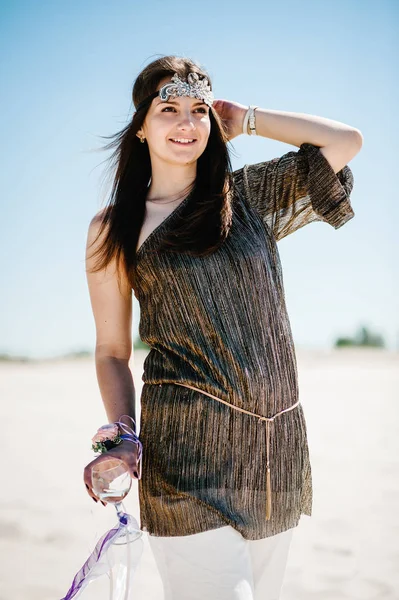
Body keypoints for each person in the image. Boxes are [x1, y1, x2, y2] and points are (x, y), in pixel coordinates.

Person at [83, 55, 363, 599]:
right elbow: (112, 351)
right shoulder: (115, 227)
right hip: (185, 460)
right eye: (169, 109)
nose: (186, 124)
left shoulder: (249, 198)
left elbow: (344, 142)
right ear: (141, 125)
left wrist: (247, 118)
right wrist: (122, 435)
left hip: (272, 457)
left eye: (199, 111)